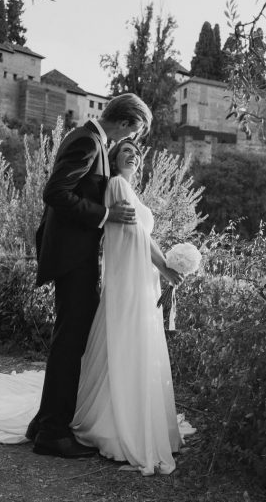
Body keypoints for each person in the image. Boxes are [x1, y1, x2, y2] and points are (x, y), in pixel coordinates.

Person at [28, 93, 154, 458]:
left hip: (74, 255)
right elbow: (55, 193)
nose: (133, 139)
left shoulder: (90, 139)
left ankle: (44, 422)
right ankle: (52, 432)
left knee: (70, 341)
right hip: (72, 257)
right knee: (70, 345)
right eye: (136, 131)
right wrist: (105, 215)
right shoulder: (87, 141)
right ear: (127, 123)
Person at [71, 138, 186, 474]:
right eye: (126, 151)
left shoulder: (131, 191)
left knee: (131, 343)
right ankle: (116, 424)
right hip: (129, 279)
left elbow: (142, 235)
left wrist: (166, 266)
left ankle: (134, 414)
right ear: (113, 158)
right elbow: (135, 233)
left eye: (137, 152)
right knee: (126, 342)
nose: (133, 155)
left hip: (138, 278)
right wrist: (165, 267)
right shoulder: (117, 185)